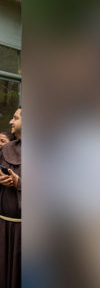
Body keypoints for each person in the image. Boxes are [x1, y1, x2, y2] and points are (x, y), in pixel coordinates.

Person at [0, 108, 21, 288]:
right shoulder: (6, 149)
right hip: (3, 226)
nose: (10, 122)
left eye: (15, 118)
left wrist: (20, 183)